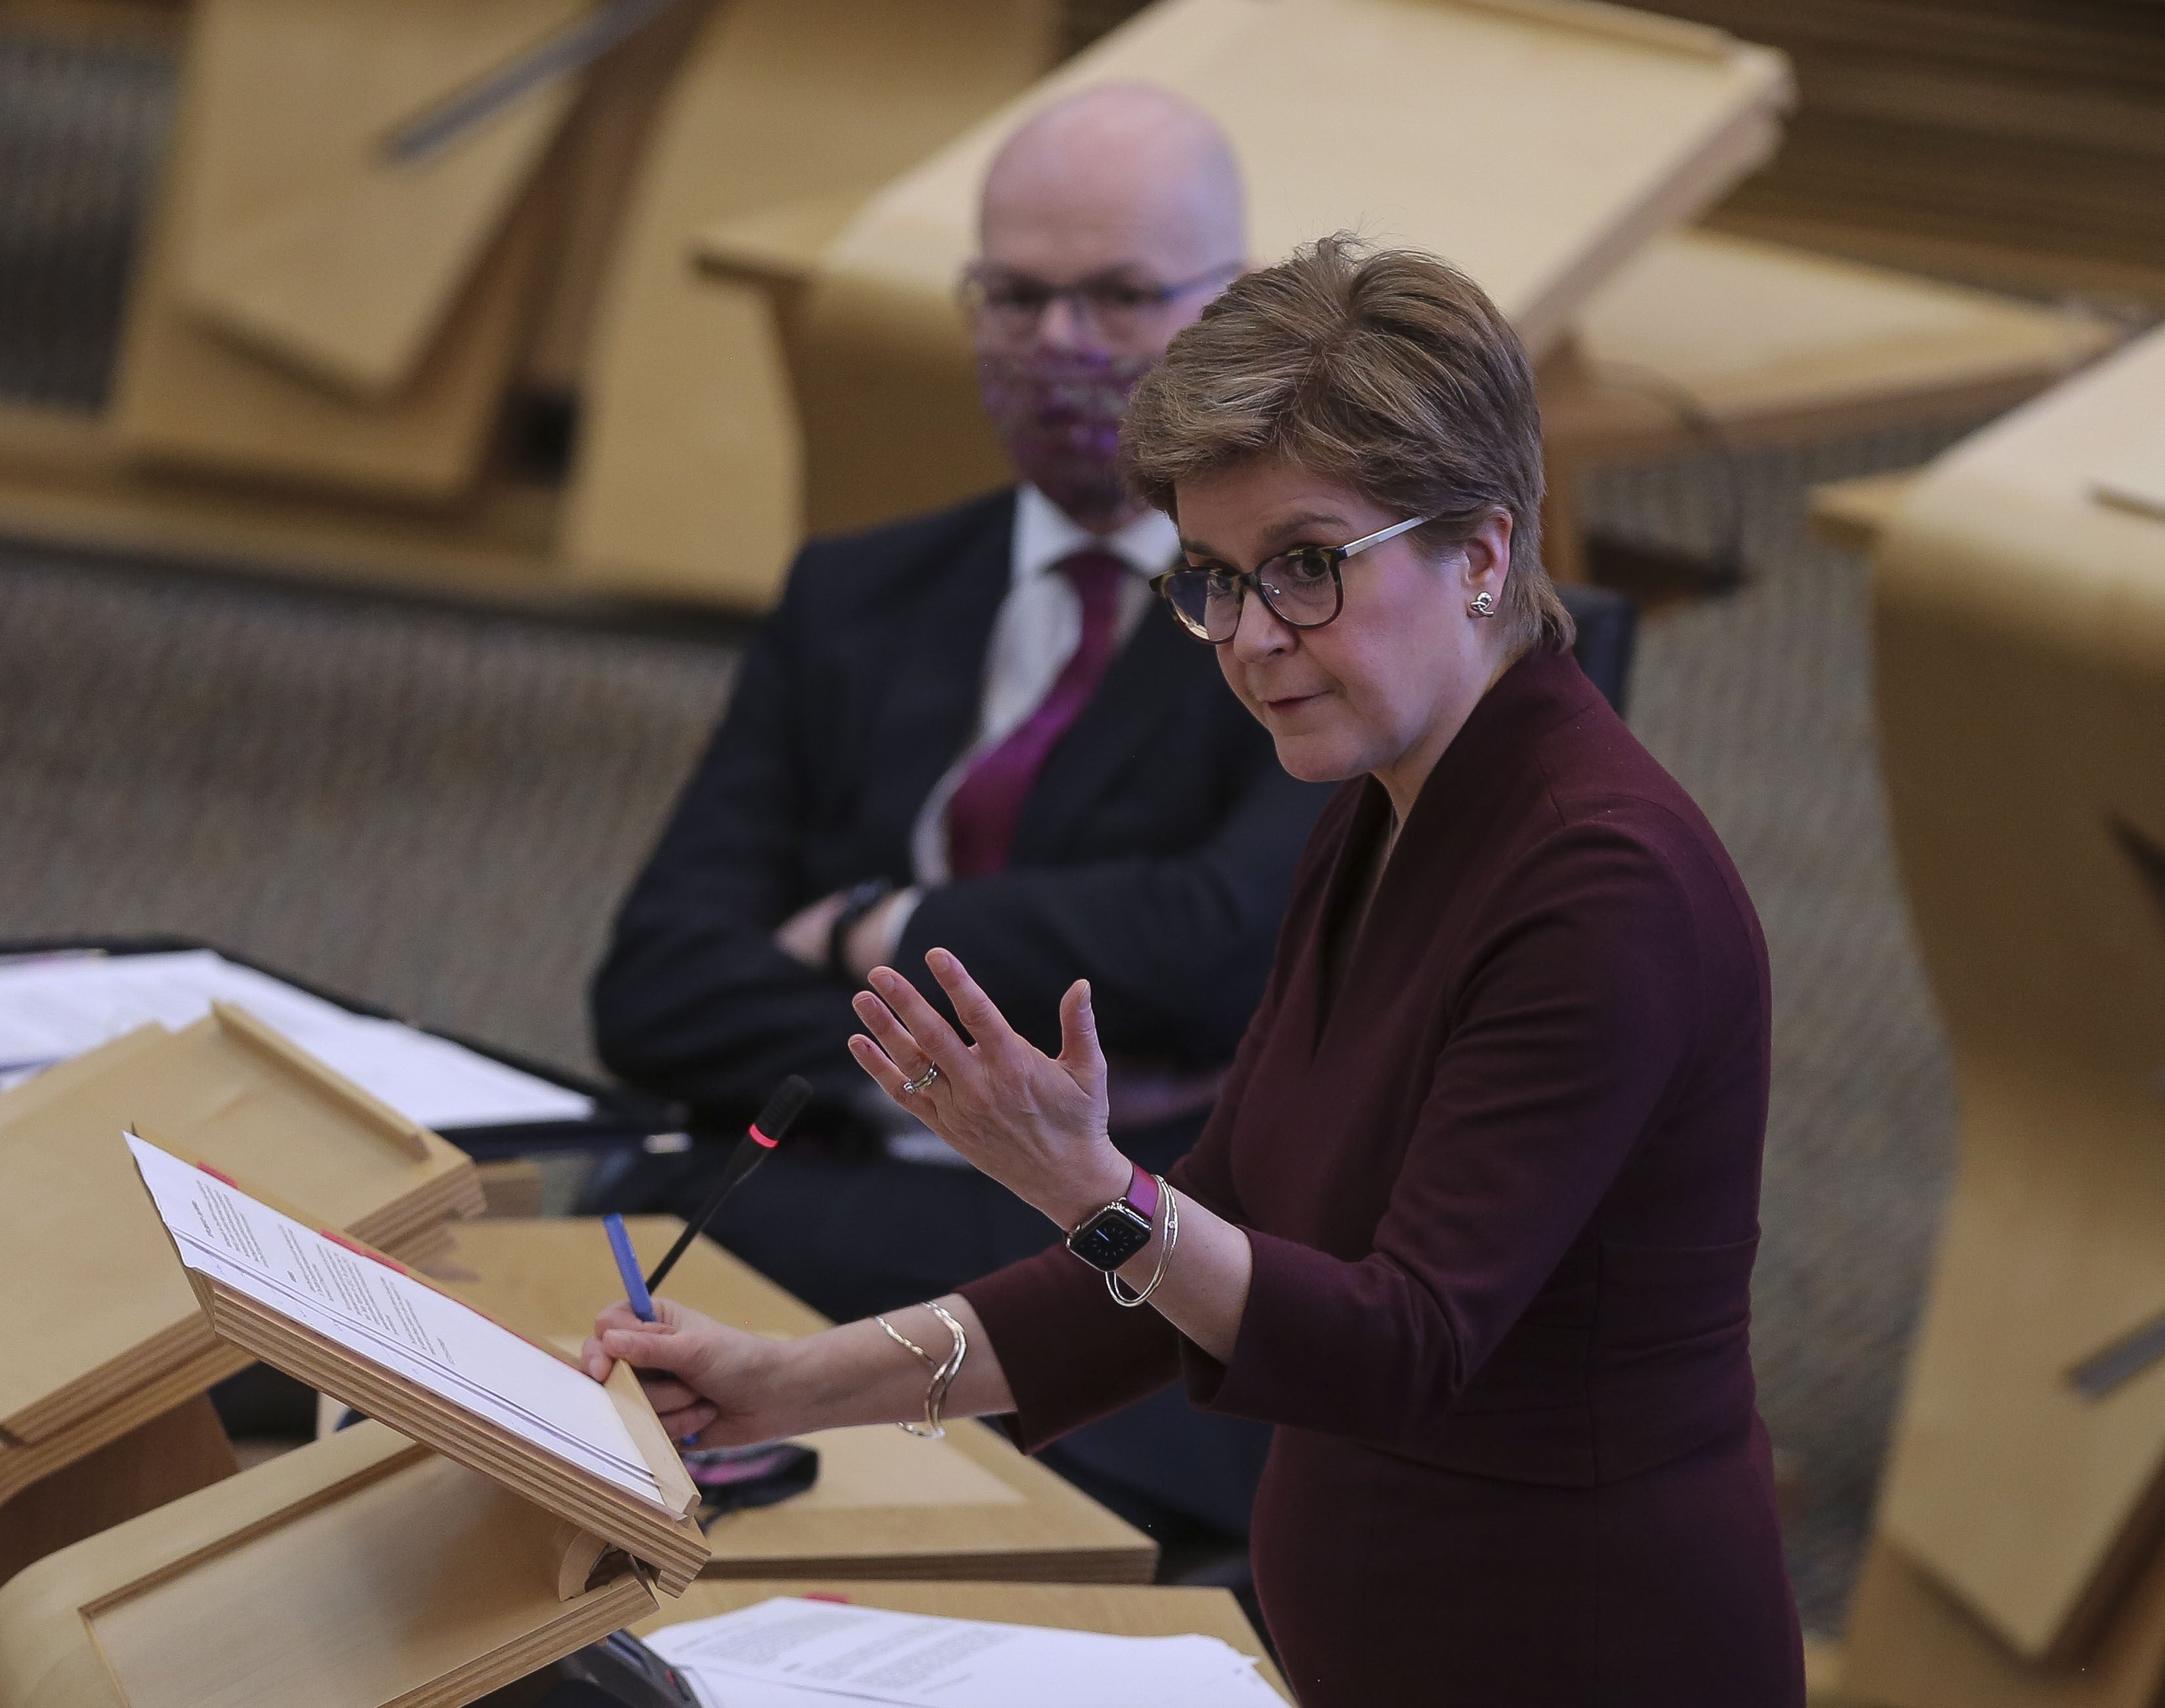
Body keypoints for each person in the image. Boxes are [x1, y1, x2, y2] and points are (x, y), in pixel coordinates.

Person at [587, 236, 1804, 1705]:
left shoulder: (1604, 886)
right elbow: (1194, 1255)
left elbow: (1402, 1349)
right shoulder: (1380, 800)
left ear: (1480, 552)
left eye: (1307, 568)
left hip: (1575, 1650)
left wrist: (1094, 1190)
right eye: (1216, 581)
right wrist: (790, 1385)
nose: (1252, 641)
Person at [586, 84, 1329, 1539]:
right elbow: (658, 984)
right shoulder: (856, 595)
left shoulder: (1302, 617)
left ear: (1234, 309)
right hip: (815, 1192)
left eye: (1117, 298)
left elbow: (1222, 945)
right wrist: (958, 1087)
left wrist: (878, 927)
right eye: (1016, 296)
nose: (1059, 346)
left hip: (1134, 1254)